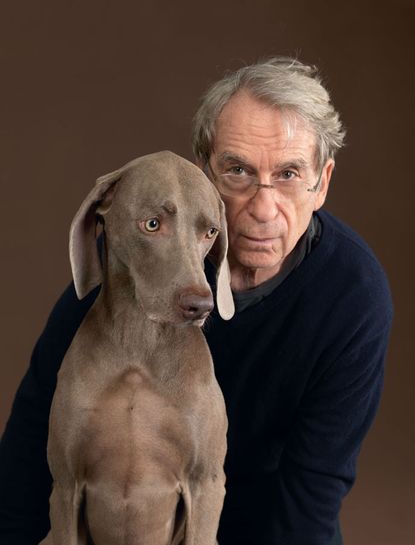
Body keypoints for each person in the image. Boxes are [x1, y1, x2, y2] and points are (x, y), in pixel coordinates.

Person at [0, 57, 393, 545]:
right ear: (202, 172)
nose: (264, 207)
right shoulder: (135, 264)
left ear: (322, 183)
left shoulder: (353, 293)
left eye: (289, 174)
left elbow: (315, 484)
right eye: (237, 171)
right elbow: (31, 436)